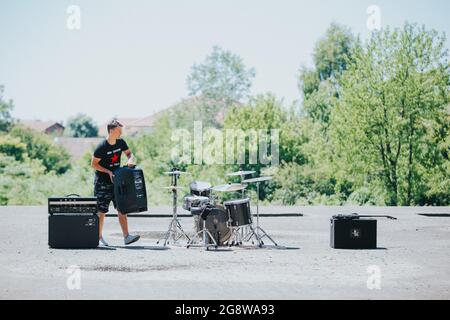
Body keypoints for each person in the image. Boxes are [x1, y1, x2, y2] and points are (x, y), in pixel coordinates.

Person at [91, 119, 140, 246]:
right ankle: (98, 238)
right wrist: (107, 171)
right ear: (111, 131)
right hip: (102, 183)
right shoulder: (102, 147)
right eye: (119, 131)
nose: (121, 133)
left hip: (117, 182)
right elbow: (93, 164)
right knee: (101, 211)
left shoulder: (121, 142)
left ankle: (127, 237)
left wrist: (130, 160)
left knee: (122, 208)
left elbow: (130, 154)